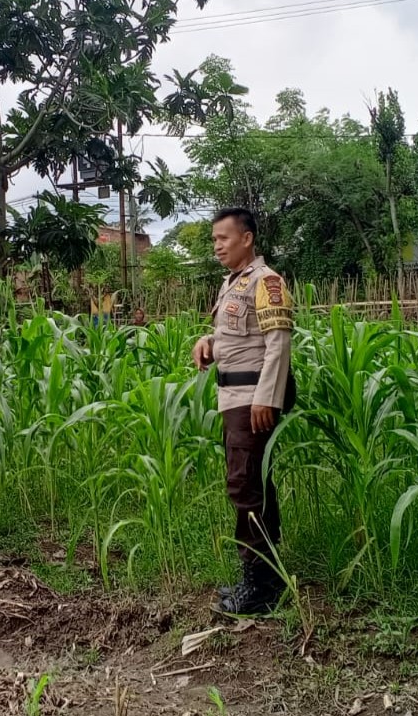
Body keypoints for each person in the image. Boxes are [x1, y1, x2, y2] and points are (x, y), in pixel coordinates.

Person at [192, 207, 295, 615]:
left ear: (247, 238)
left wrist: (267, 399)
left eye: (223, 238)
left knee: (244, 487)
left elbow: (277, 343)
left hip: (252, 401)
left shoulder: (266, 282)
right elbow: (240, 338)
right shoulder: (234, 284)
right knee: (252, 484)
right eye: (215, 239)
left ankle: (261, 585)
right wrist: (208, 342)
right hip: (235, 398)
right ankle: (265, 575)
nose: (217, 245)